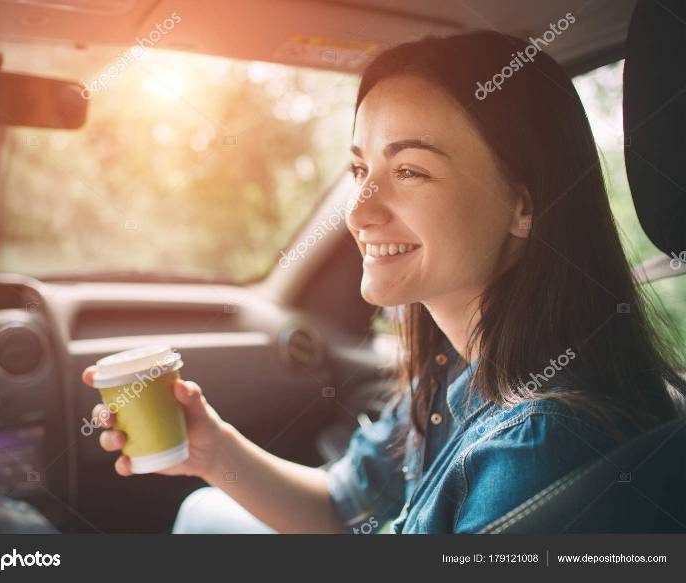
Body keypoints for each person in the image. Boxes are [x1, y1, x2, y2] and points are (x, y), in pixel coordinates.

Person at [83, 31, 686, 534]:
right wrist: (209, 449)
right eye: (359, 169)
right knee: (203, 508)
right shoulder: (458, 370)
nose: (359, 209)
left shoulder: (537, 448)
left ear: (522, 207)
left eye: (410, 170)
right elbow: (343, 508)